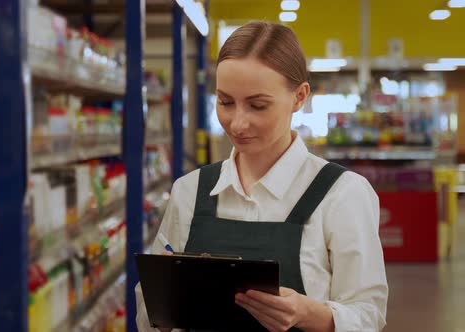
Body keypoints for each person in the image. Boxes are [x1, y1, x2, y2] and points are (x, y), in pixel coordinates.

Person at [136, 21, 388, 332]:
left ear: (299, 97)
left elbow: (368, 314)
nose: (238, 124)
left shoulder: (342, 194)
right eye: (225, 102)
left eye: (258, 105)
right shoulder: (189, 192)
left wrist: (309, 313)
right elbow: (149, 307)